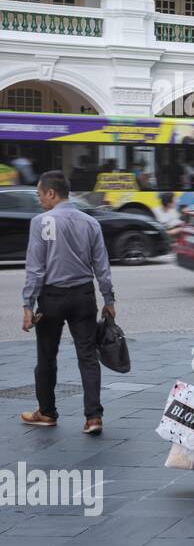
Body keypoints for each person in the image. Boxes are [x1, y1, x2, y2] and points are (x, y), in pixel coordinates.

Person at [20, 170, 116, 435]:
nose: (39, 200)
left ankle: (47, 413)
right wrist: (108, 298)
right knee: (88, 357)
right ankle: (93, 417)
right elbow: (102, 266)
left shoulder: (41, 222)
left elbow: (35, 269)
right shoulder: (90, 222)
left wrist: (28, 304)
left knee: (47, 357)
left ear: (51, 193)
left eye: (40, 194)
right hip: (84, 297)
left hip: (51, 298)